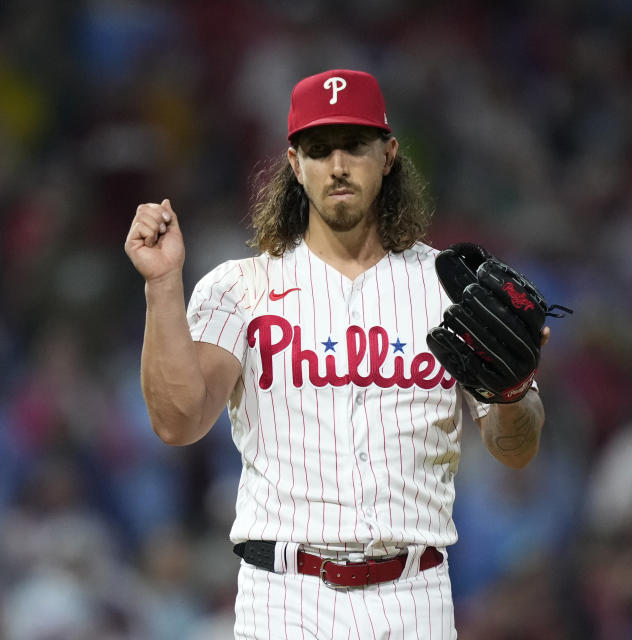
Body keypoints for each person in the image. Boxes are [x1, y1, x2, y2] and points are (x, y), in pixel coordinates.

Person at [124, 68, 550, 639]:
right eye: (320, 149)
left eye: (355, 145)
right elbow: (177, 423)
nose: (339, 165)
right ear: (295, 164)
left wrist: (515, 394)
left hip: (413, 593)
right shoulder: (240, 287)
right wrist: (162, 286)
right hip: (283, 594)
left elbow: (515, 450)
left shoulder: (451, 286)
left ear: (389, 154)